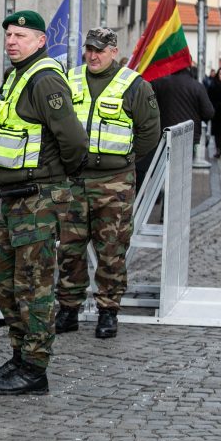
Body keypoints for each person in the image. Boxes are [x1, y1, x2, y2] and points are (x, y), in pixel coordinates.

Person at [0, 10, 87, 395]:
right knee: (4, 283)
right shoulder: (16, 77)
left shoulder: (44, 80)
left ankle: (35, 368)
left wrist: (56, 177)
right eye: (8, 34)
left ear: (41, 41)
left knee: (33, 286)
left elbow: (74, 141)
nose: (12, 40)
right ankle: (21, 354)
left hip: (38, 198)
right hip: (14, 198)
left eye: (21, 35)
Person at [56, 28, 160, 340]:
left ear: (114, 52)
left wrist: (122, 160)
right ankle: (68, 309)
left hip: (114, 182)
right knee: (70, 249)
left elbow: (149, 132)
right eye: (89, 49)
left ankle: (108, 311)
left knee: (111, 250)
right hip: (74, 180)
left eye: (100, 50)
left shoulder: (134, 85)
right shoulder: (69, 80)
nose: (93, 55)